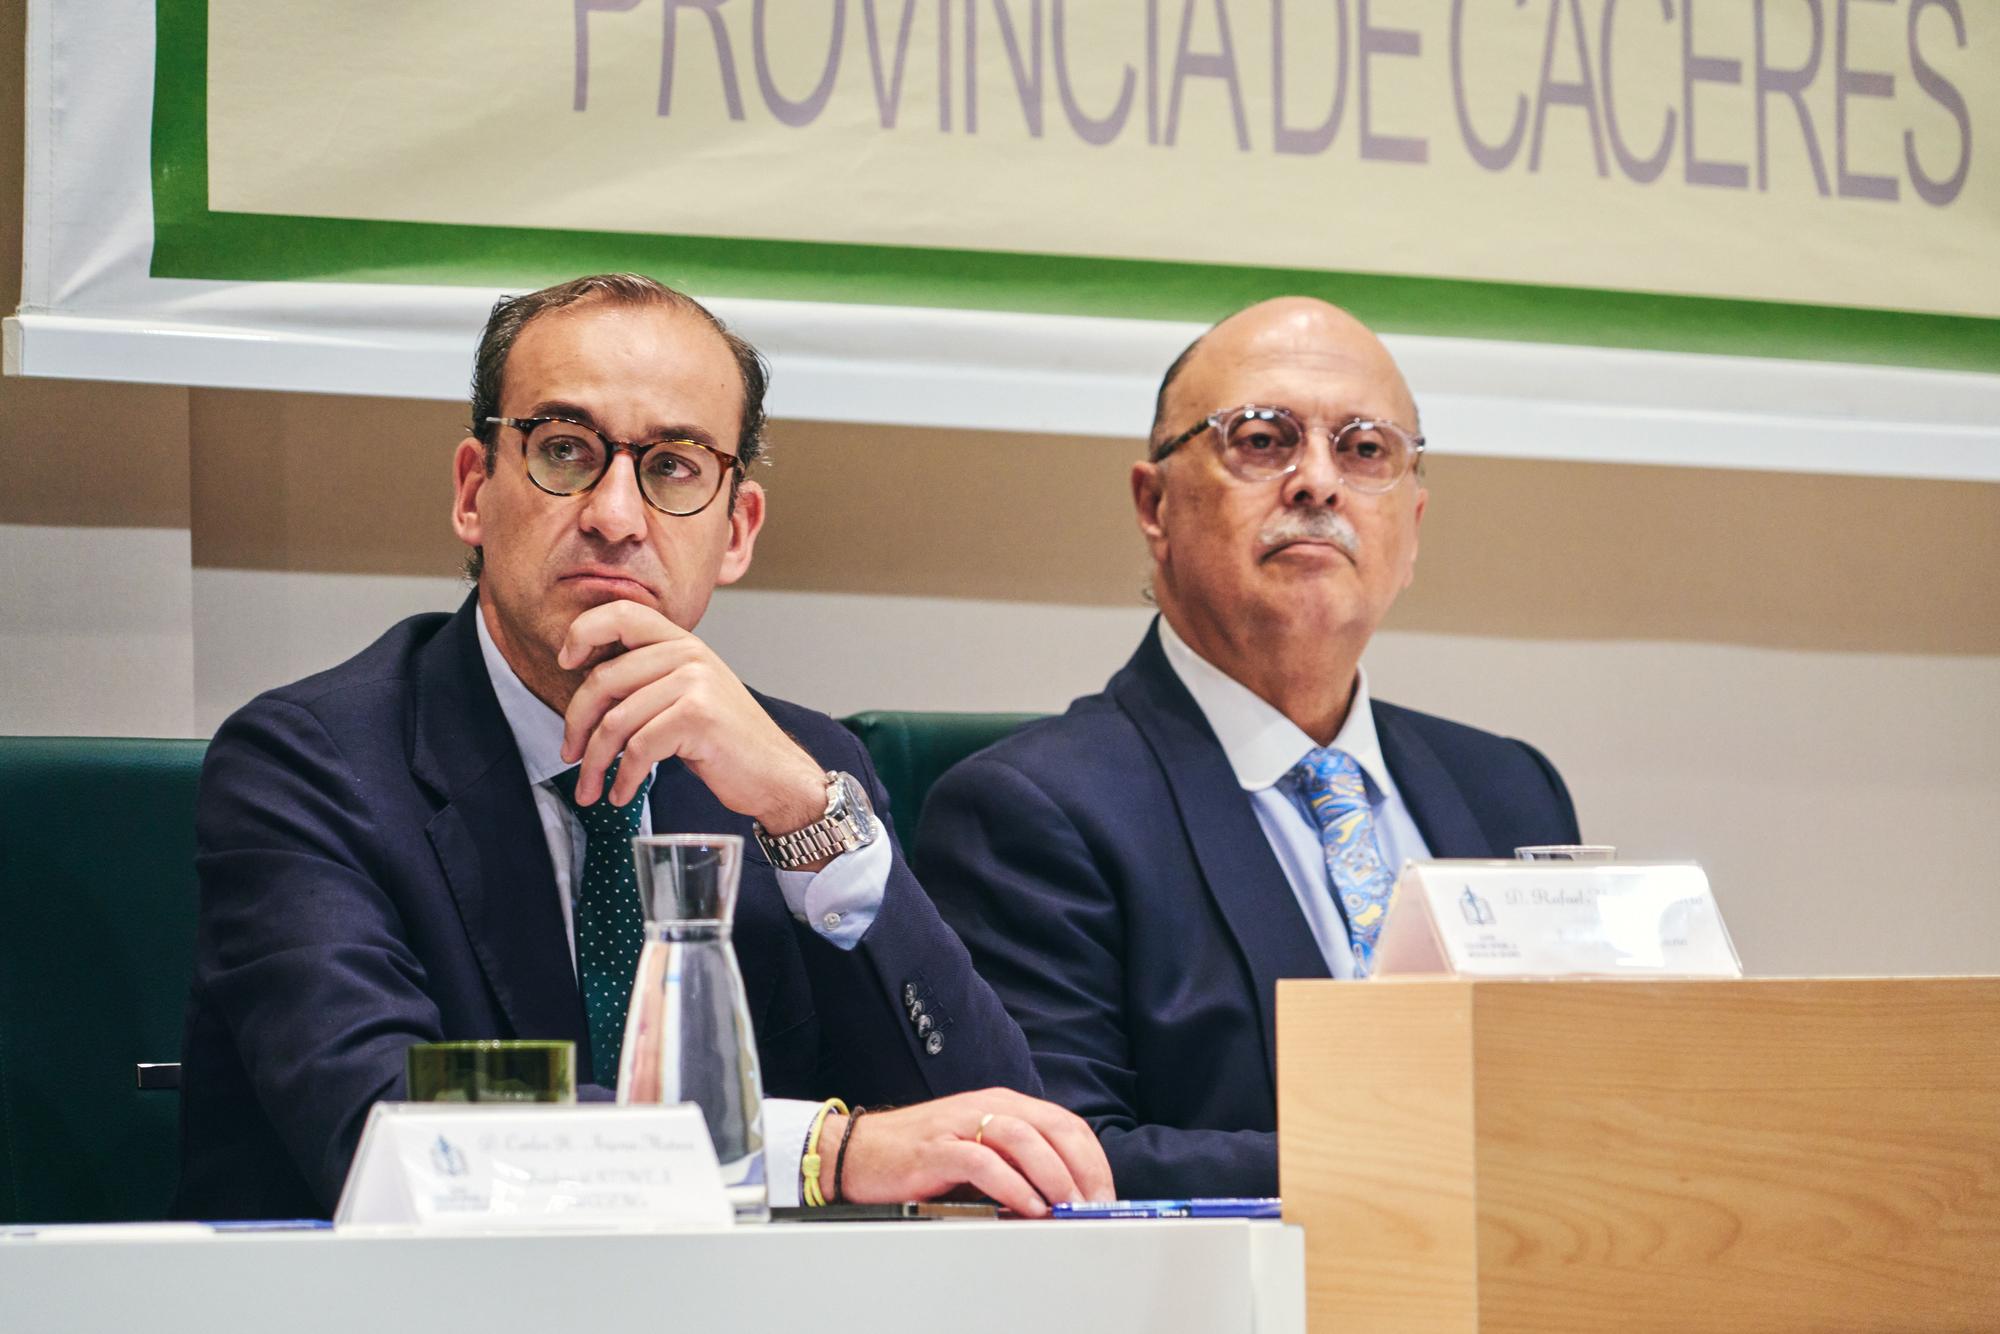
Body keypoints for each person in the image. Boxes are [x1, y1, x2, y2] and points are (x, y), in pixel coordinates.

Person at [175, 274, 1110, 1220]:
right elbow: (390, 1133)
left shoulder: (800, 766)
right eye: (566, 450)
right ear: (473, 491)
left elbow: (999, 1137)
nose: (615, 515)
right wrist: (818, 1152)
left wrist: (806, 815)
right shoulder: (311, 765)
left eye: (672, 467)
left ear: (736, 529)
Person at [912, 297, 1580, 1199]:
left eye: (1365, 449)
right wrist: (1433, 1164)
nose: (1318, 483)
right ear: (1154, 505)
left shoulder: (1511, 790)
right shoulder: (1027, 812)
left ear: (1413, 526)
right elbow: (1067, 1167)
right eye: (1263, 441)